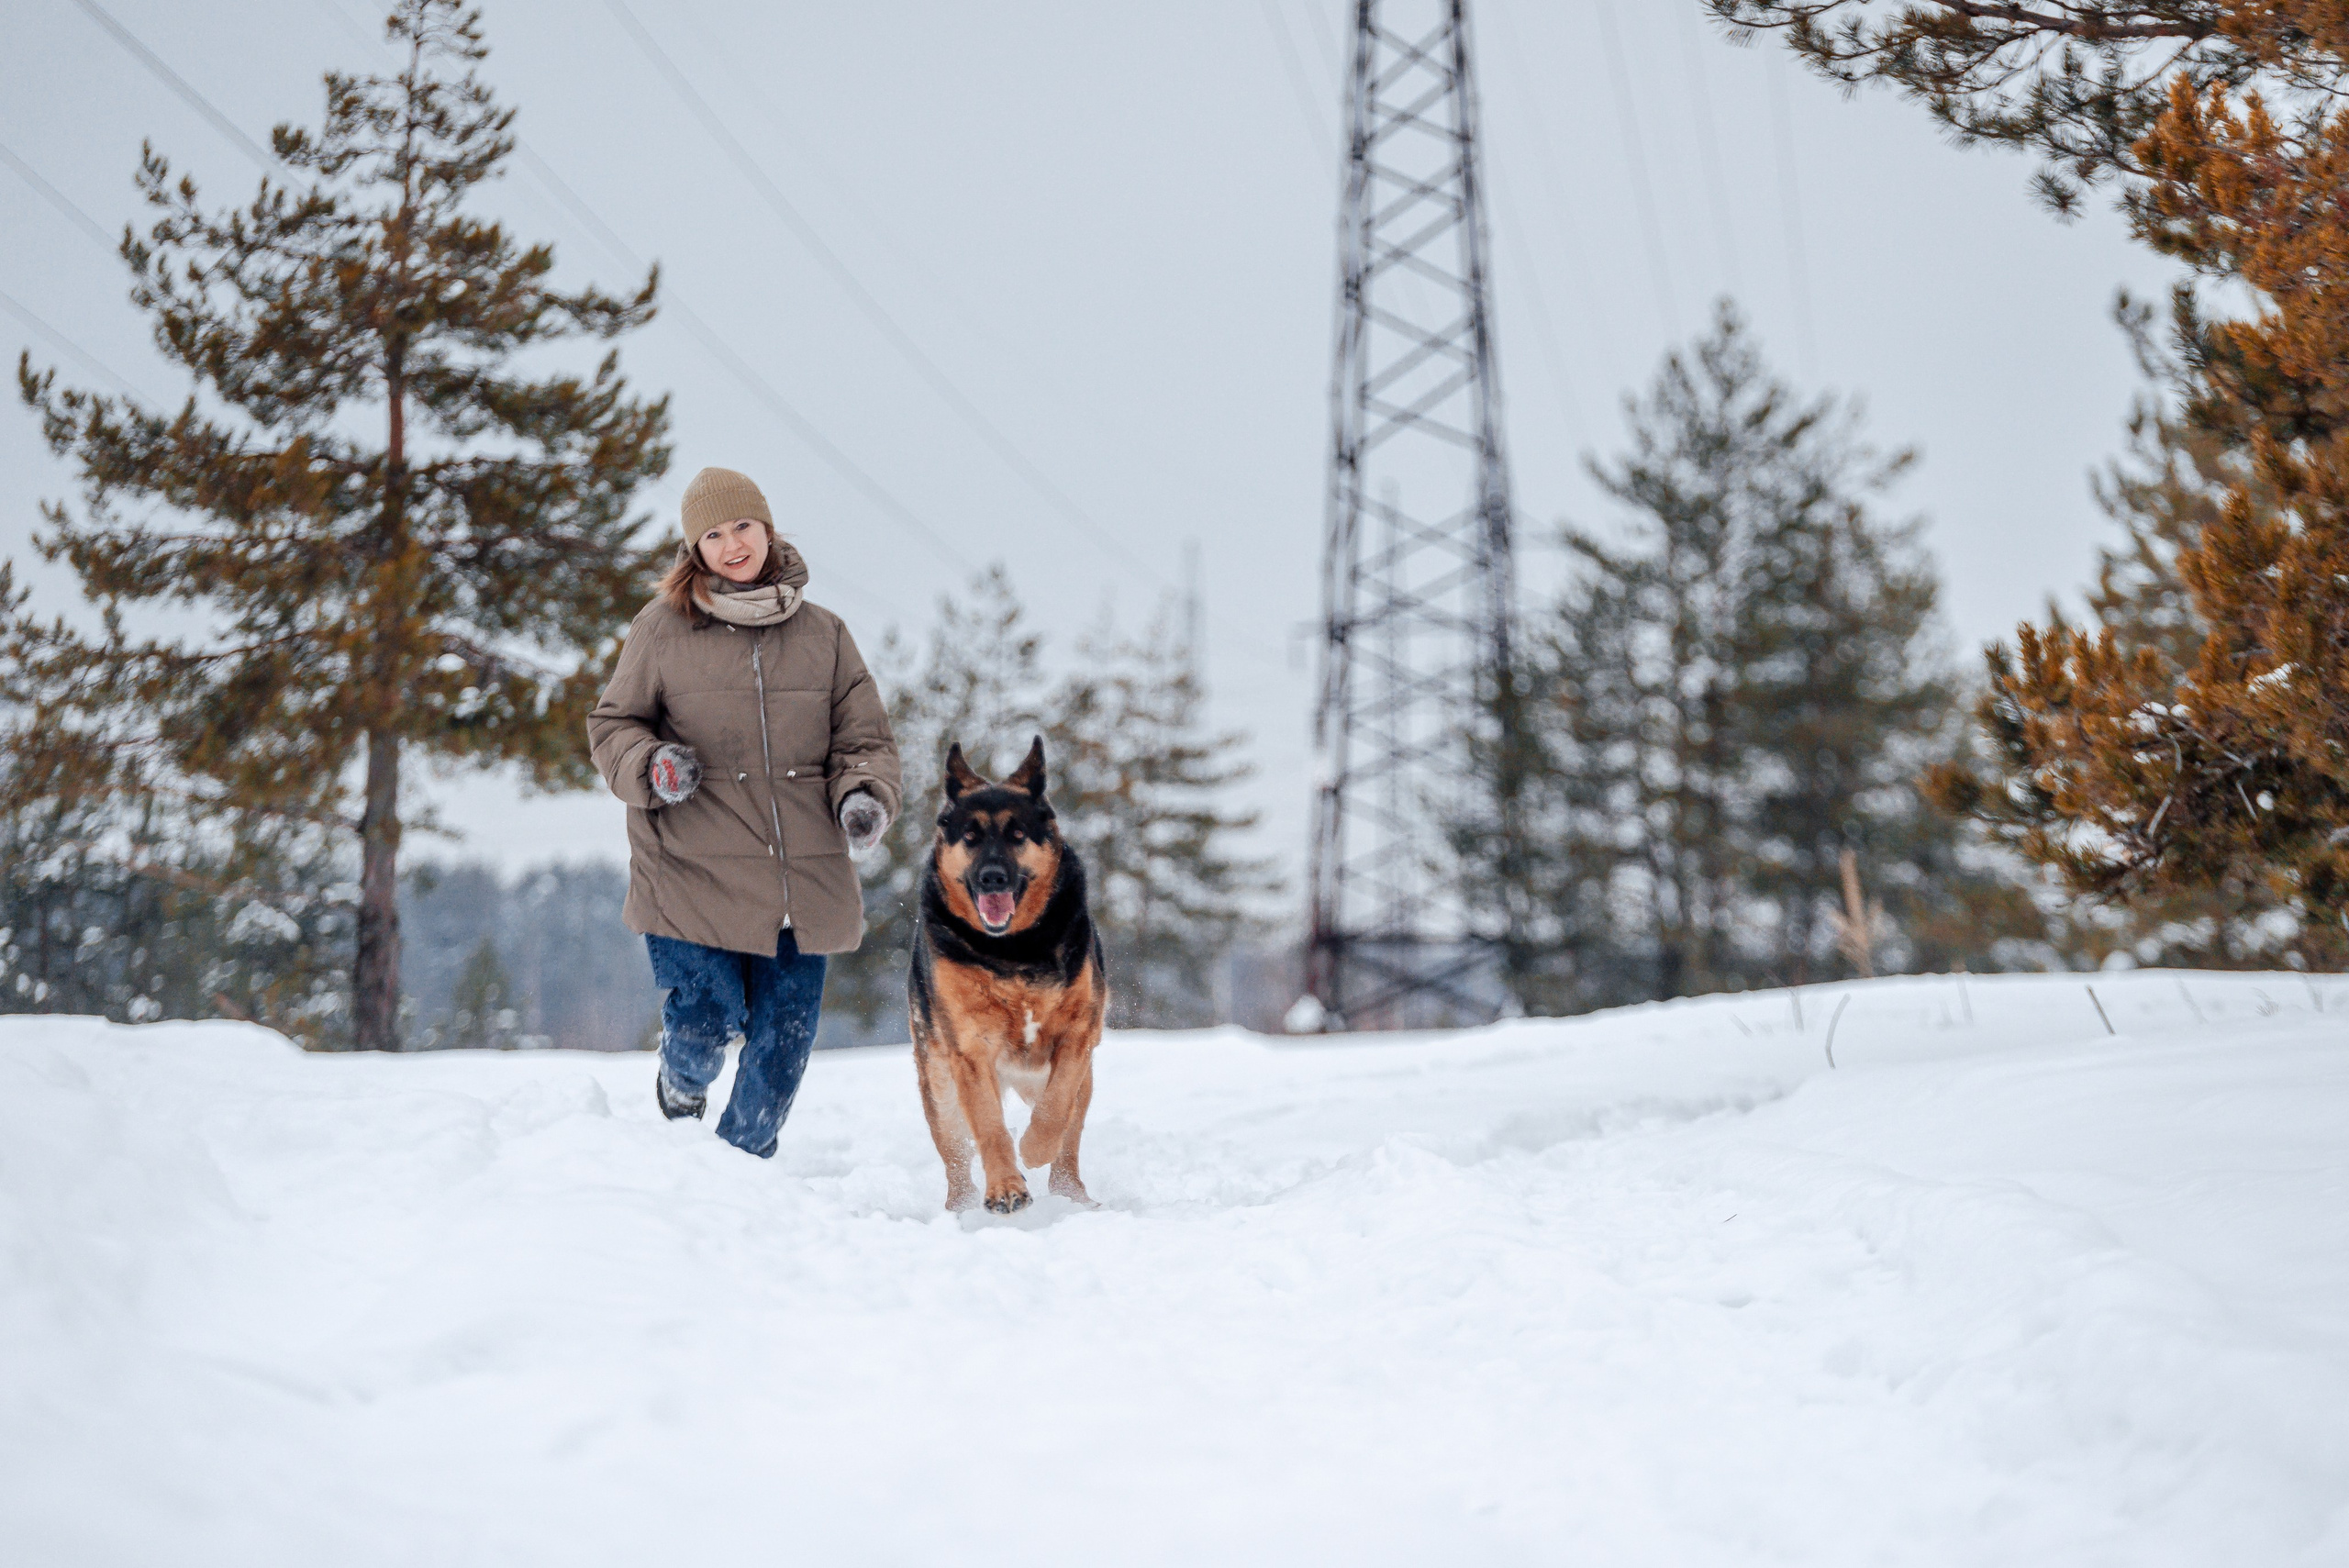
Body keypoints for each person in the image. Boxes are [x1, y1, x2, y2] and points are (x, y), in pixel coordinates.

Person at [588, 466, 901, 1157]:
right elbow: (614, 727)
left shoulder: (826, 635)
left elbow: (864, 740)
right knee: (701, 1026)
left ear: (767, 528)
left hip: (799, 878)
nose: (733, 545)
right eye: (714, 534)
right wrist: (655, 766)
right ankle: (681, 1081)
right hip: (691, 873)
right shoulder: (662, 631)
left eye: (743, 527)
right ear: (694, 549)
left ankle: (738, 1185)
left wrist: (862, 795)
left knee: (781, 1052)